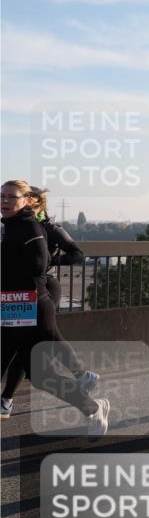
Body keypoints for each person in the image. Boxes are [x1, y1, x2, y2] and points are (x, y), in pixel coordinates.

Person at [1, 180, 109, 435]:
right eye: (1, 196)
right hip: (14, 303)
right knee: (38, 374)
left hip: (33, 301)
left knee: (30, 364)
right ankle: (92, 405)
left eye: (11, 197)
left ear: (27, 200)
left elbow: (40, 264)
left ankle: (86, 391)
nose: (4, 201)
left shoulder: (33, 226)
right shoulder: (11, 227)